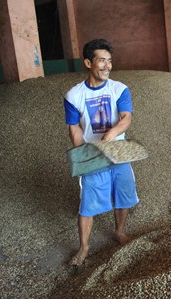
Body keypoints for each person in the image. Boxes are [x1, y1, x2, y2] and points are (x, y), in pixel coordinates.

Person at [63, 39, 139, 265]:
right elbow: (74, 126)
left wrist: (111, 134)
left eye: (110, 61)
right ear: (88, 62)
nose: (107, 66)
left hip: (118, 152)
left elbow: (127, 119)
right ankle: (84, 248)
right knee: (88, 202)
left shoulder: (120, 89)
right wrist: (81, 151)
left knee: (123, 194)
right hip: (93, 156)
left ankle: (119, 231)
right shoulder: (73, 95)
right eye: (102, 60)